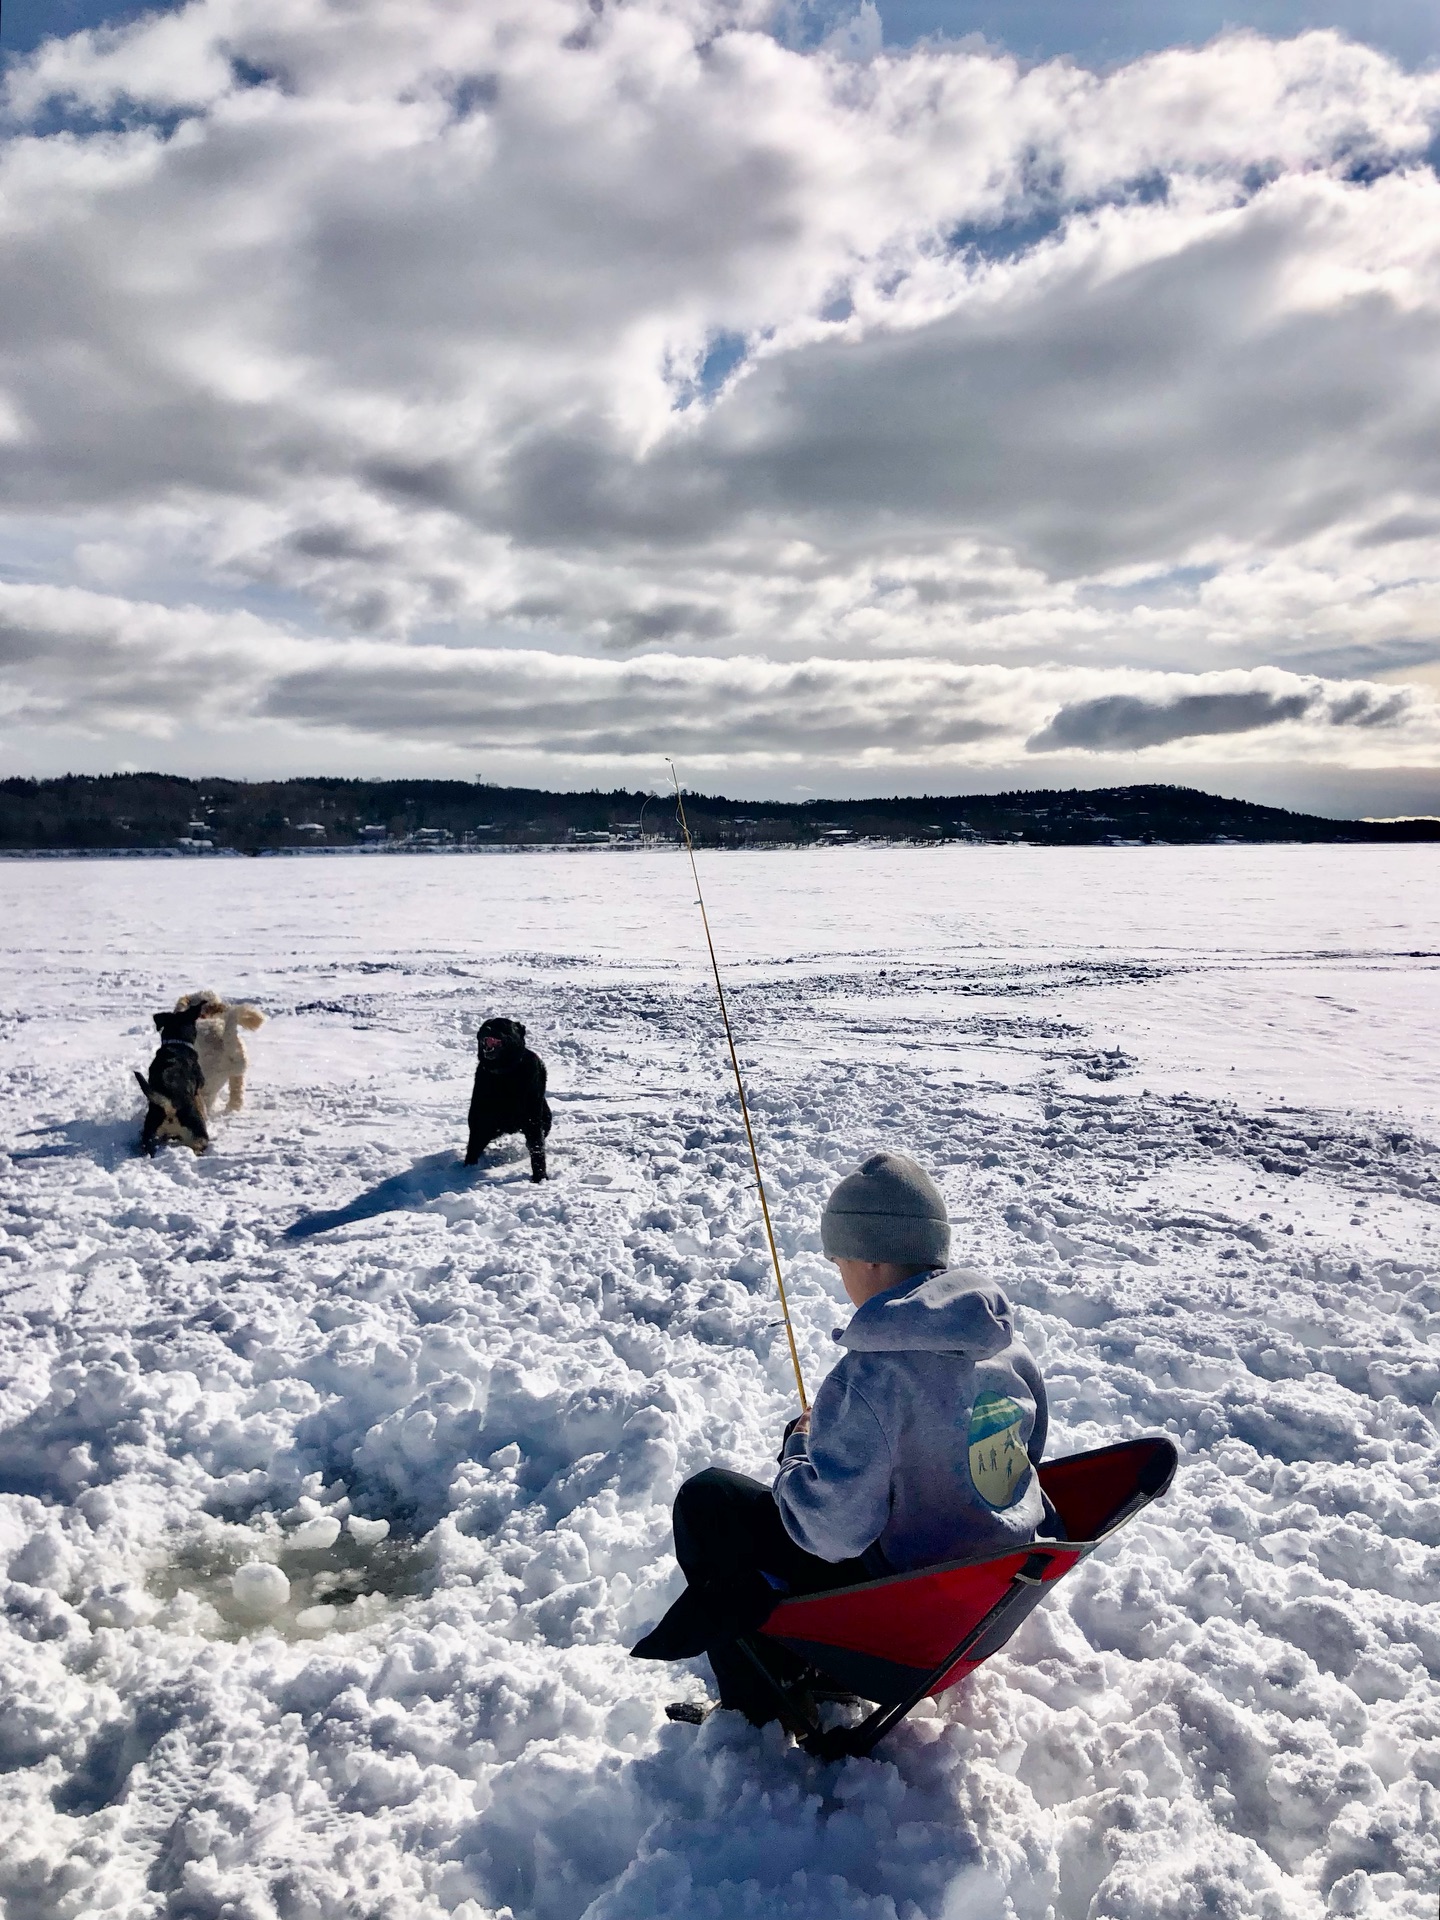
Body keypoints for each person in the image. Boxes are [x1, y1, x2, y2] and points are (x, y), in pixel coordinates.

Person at [632, 1151, 1053, 1721]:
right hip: (987, 1603)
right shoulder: (1008, 1348)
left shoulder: (874, 1376)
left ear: (874, 1260)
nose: (842, 1277)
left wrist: (800, 1450)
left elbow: (829, 1533)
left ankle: (757, 1709)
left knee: (710, 1499)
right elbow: (1021, 1455)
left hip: (901, 1620)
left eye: (840, 1261)